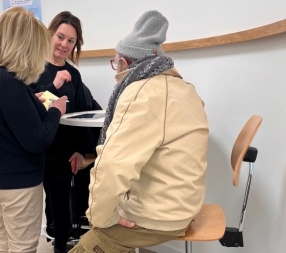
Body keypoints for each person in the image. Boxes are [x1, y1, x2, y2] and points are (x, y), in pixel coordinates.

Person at [69, 10, 209, 253]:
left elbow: (111, 166)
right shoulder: (185, 89)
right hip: (185, 204)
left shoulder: (141, 92)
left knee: (88, 243)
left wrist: (99, 219)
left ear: (124, 62)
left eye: (115, 64)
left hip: (160, 216)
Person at [0, 7, 68, 253]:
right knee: (23, 246)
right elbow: (38, 139)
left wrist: (32, 100)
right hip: (15, 183)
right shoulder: (7, 82)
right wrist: (56, 111)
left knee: (5, 237)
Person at [30, 11, 95, 253]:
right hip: (36, 150)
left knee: (60, 206)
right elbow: (29, 107)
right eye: (61, 36)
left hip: (63, 153)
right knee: (31, 207)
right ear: (50, 34)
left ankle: (59, 248)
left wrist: (80, 150)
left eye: (71, 41)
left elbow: (82, 113)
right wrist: (54, 86)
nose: (64, 44)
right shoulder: (32, 67)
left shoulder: (74, 75)